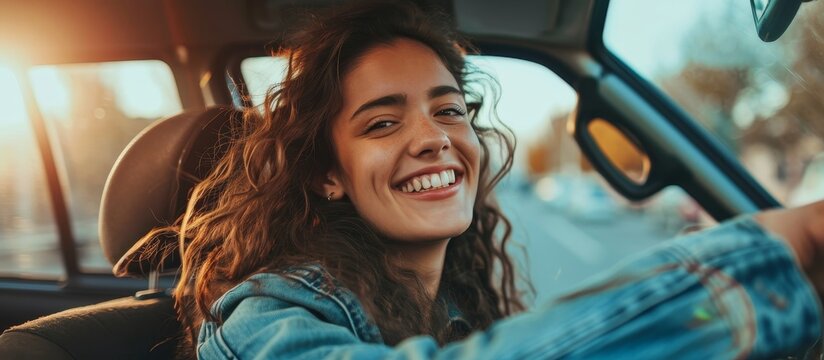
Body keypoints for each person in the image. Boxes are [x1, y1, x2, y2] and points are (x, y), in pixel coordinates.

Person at [134, 1, 822, 358]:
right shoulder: (262, 316)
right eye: (381, 123)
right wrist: (768, 254)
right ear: (326, 176)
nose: (434, 137)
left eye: (449, 111)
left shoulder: (457, 307)